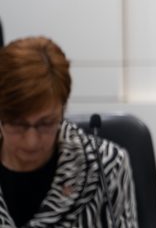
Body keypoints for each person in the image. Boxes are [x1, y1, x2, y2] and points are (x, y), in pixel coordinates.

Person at [0, 36, 137, 227]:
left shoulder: (105, 166)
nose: (31, 141)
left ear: (63, 109)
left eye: (45, 124)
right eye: (18, 125)